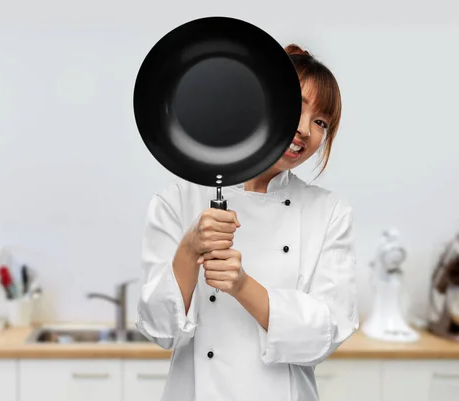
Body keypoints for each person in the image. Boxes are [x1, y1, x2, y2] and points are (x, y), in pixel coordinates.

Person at [135, 43, 359, 401]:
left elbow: (325, 335)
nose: (305, 130)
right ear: (262, 102)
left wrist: (241, 286)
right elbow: (159, 330)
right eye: (297, 108)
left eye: (321, 122)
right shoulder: (178, 200)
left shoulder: (329, 211)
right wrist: (190, 248)